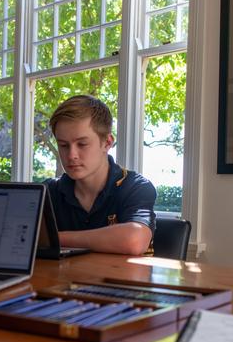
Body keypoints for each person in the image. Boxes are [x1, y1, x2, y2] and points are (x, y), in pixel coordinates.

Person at [44, 95, 157, 256]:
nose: (71, 155)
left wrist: (53, 238)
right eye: (63, 145)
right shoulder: (49, 191)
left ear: (107, 143)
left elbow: (134, 240)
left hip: (120, 280)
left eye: (82, 144)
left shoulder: (136, 186)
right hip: (65, 280)